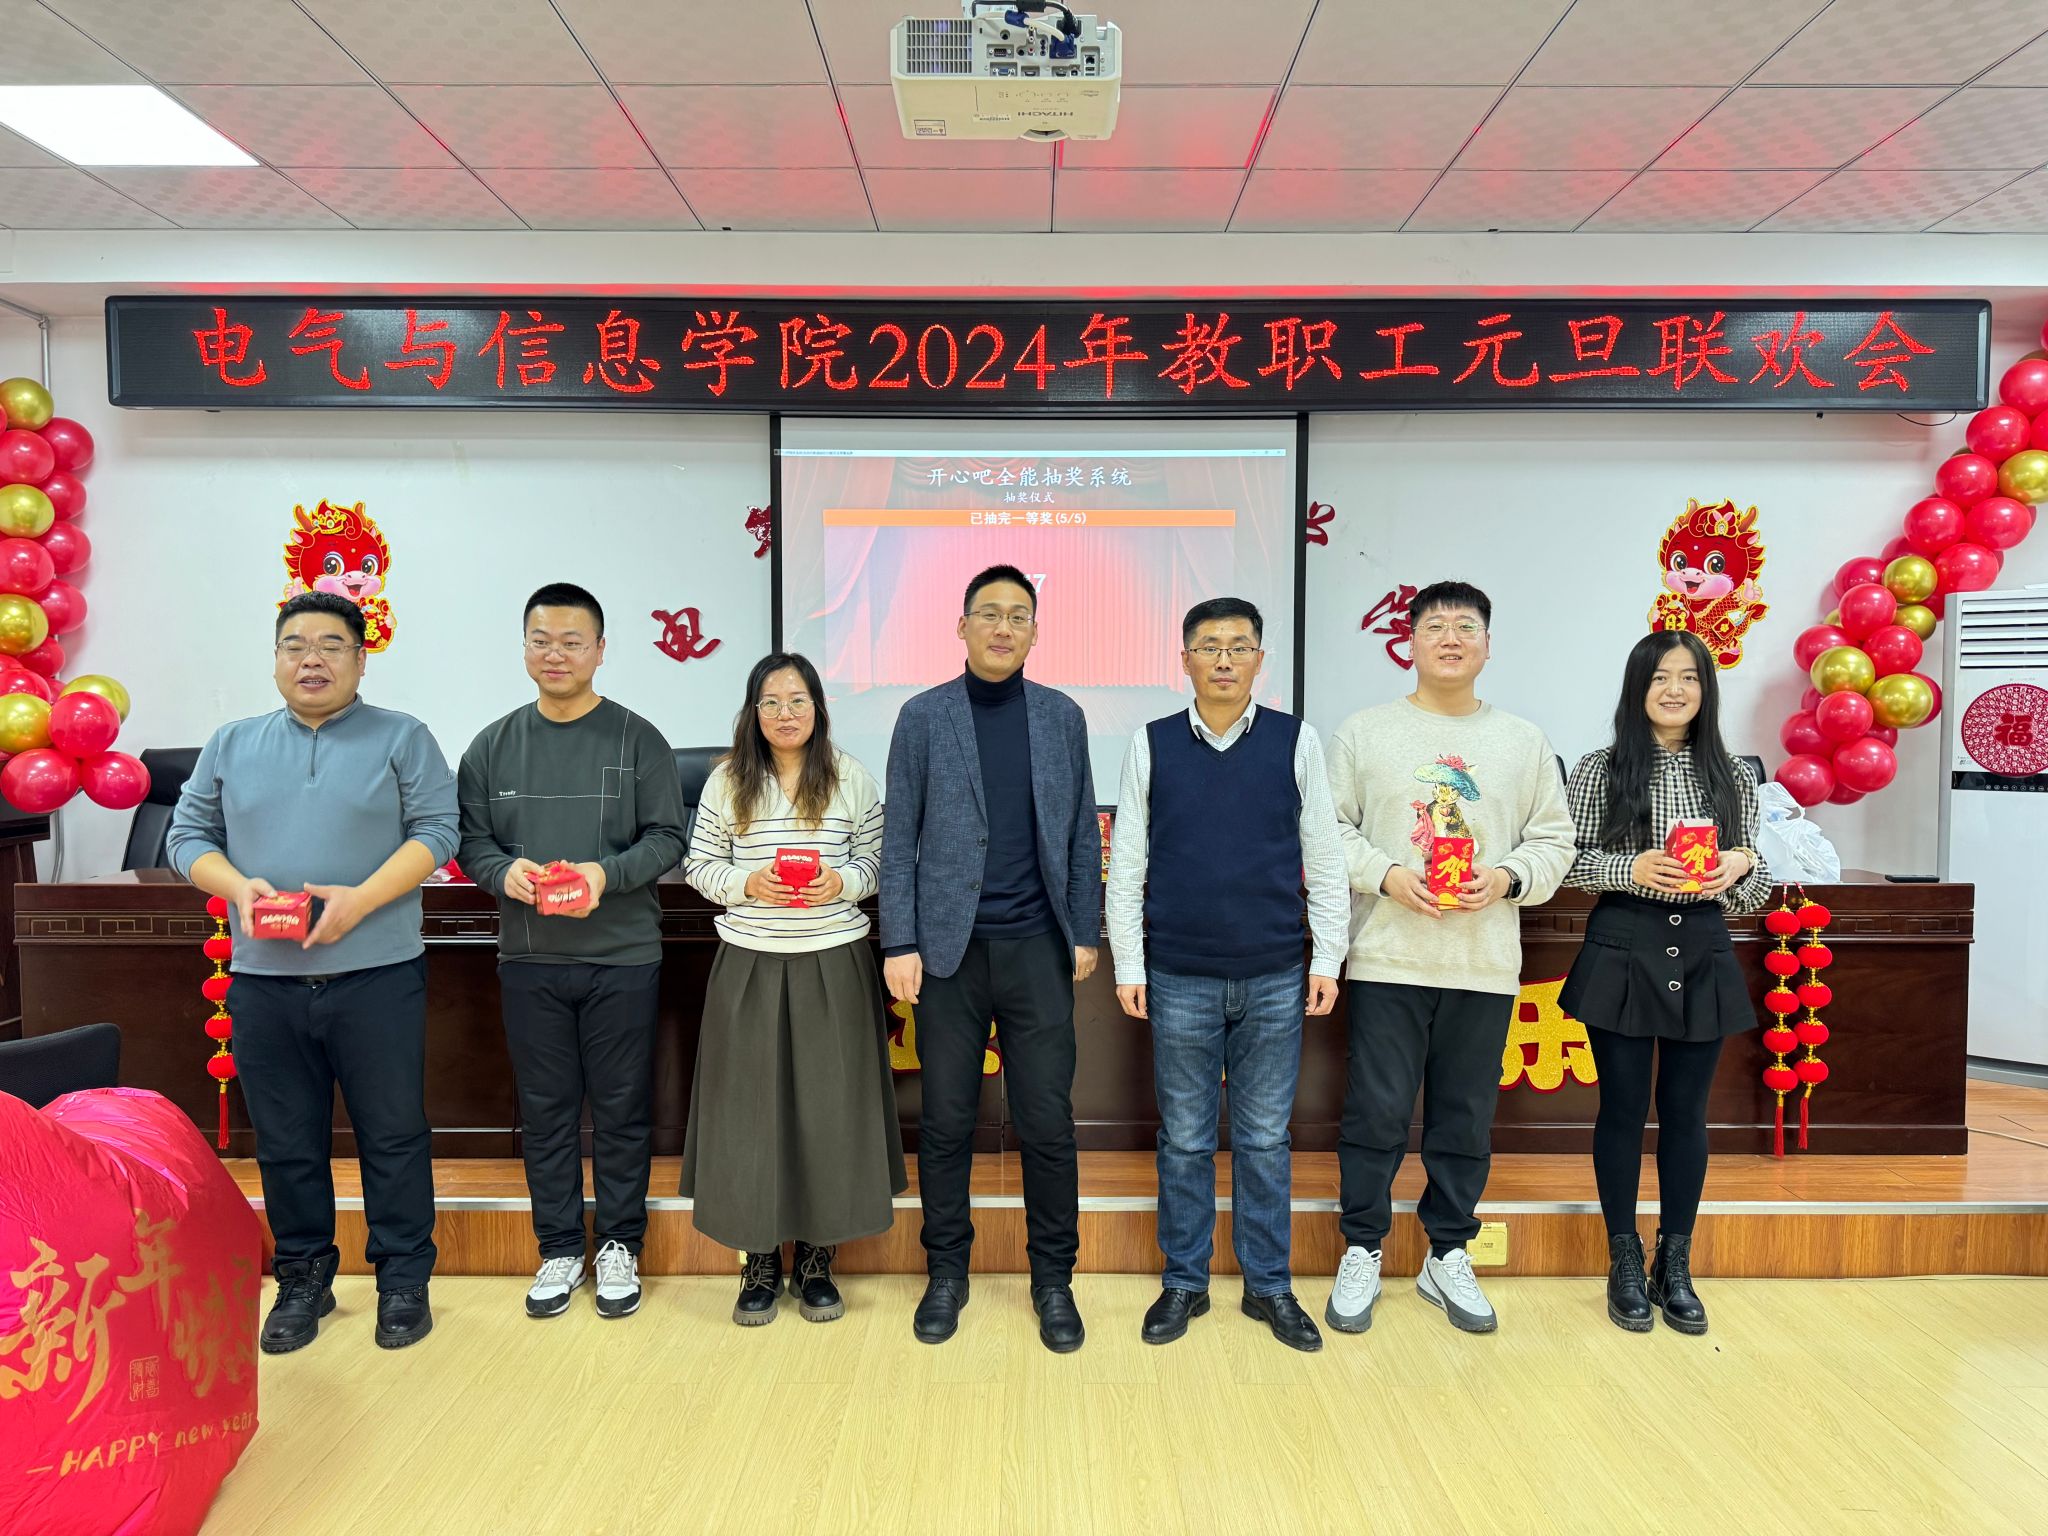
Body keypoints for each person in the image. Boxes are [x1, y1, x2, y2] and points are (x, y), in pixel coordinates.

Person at [168, 591, 459, 1353]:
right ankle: (303, 1279)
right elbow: (187, 835)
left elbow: (438, 830)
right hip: (264, 982)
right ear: (275, 659)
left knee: (393, 1135)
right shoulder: (232, 743)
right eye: (295, 645)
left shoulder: (402, 736)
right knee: (287, 1141)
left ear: (361, 660)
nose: (312, 660)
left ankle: (403, 1279)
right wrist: (239, 889)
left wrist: (362, 900)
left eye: (332, 645)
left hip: (377, 976)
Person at [1323, 580, 1575, 1336]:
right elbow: (1326, 831)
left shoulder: (1523, 741)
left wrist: (1505, 878)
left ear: (1488, 645)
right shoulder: (1364, 733)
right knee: (1375, 1114)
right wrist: (1386, 875)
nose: (1451, 638)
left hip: (1482, 961)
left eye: (1467, 626)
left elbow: (1554, 841)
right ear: (1410, 643)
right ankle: (1362, 1247)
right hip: (1388, 958)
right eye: (1435, 626)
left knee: (1465, 1119)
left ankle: (1448, 1253)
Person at [1107, 598, 1348, 1352]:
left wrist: (1327, 956)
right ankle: (1184, 1280)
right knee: (1184, 1139)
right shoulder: (1151, 744)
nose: (1223, 659)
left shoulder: (1295, 740)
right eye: (1208, 645)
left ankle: (1268, 1285)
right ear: (1184, 659)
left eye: (1238, 646)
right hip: (1178, 972)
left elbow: (1326, 855)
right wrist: (1129, 963)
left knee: (1265, 1139)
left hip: (1275, 972)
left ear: (1258, 661)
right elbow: (1129, 862)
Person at [880, 564, 1100, 1353]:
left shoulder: (1061, 716)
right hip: (949, 953)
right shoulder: (923, 716)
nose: (1003, 627)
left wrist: (1084, 931)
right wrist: (899, 941)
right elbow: (897, 837)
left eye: (1018, 615)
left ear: (1035, 632)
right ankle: (946, 1273)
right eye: (989, 613)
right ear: (963, 626)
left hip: (1038, 947)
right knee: (945, 1122)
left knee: (1046, 1122)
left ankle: (1054, 1280)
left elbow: (1081, 832)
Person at [456, 583, 687, 1322]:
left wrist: (603, 876)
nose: (555, 654)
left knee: (621, 1109)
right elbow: (471, 842)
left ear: (600, 650)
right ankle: (558, 1246)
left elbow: (668, 838)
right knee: (548, 1112)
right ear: (524, 647)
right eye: (541, 640)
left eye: (571, 642)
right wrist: (503, 874)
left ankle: (619, 1244)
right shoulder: (491, 746)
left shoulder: (638, 739)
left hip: (623, 955)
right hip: (530, 958)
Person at [681, 651, 906, 1326]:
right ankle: (758, 1261)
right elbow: (699, 864)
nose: (786, 713)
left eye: (798, 700)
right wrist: (746, 883)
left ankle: (815, 1259)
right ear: (754, 712)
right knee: (750, 1116)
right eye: (772, 702)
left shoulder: (850, 777)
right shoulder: (727, 780)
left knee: (827, 1115)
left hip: (832, 961)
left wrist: (845, 881)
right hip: (749, 962)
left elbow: (878, 859)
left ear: (818, 709)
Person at [1561, 629, 1769, 1335]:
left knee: (1687, 1113)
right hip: (1624, 944)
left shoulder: (1733, 775)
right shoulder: (1602, 767)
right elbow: (1569, 862)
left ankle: (1674, 1264)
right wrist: (1632, 868)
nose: (1675, 690)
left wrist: (1739, 866)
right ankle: (1623, 1258)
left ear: (1706, 690)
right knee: (1622, 1109)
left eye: (1689, 678)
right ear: (1637, 689)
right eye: (1659, 678)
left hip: (1702, 945)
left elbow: (1757, 883)